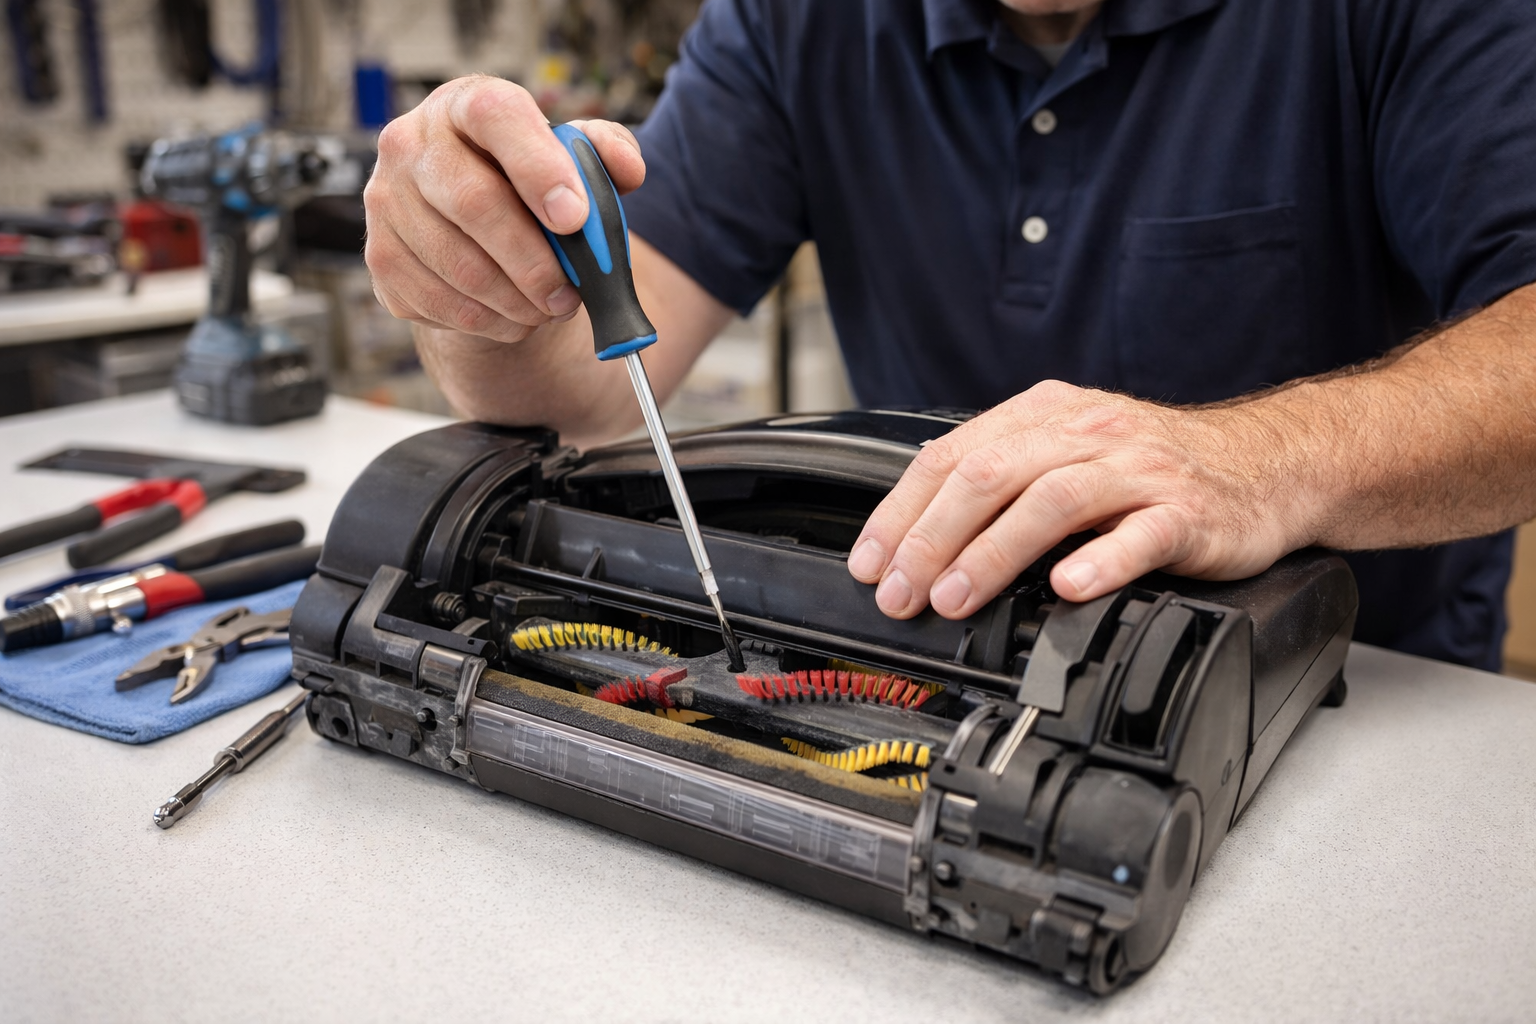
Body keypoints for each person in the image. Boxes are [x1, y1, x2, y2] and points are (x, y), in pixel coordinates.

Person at [362, 0, 1536, 670]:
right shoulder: (791, 22)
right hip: (930, 671)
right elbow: (583, 392)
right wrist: (477, 287)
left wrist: (1258, 461)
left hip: (1358, 694)